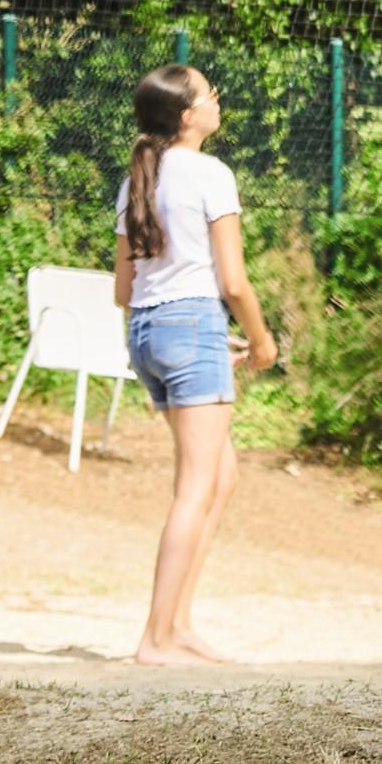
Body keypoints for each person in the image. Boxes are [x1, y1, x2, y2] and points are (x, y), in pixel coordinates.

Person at [113, 62, 280, 667]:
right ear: (188, 117)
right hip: (190, 324)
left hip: (148, 331)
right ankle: (155, 638)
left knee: (220, 476)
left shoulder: (140, 176)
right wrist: (259, 342)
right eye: (211, 92)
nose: (218, 99)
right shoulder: (210, 172)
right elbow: (233, 282)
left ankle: (177, 625)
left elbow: (124, 289)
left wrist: (197, 337)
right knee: (196, 486)